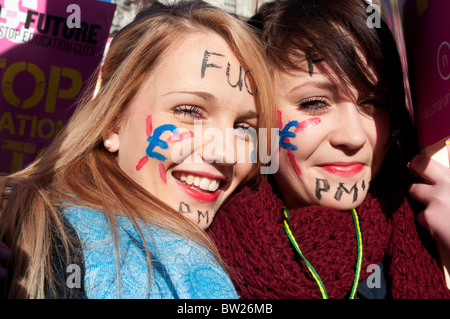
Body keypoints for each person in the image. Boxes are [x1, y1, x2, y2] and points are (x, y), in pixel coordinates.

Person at [0, 0, 275, 299]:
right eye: (189, 111)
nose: (226, 154)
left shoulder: (248, 242)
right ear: (113, 121)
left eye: (245, 129)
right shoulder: (34, 251)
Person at [208, 0, 450, 299]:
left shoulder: (432, 230)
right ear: (255, 115)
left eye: (373, 103)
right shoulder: (192, 256)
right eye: (314, 103)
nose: (354, 137)